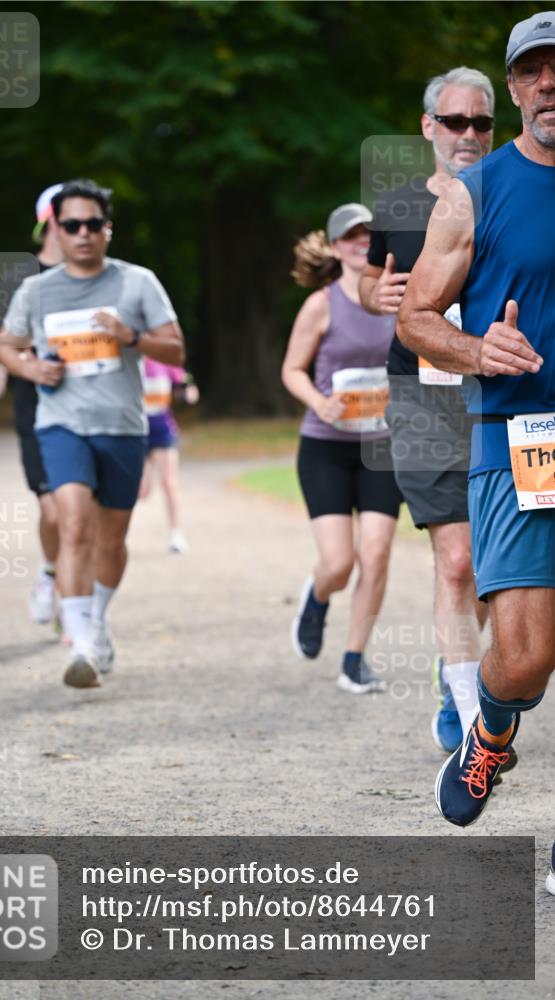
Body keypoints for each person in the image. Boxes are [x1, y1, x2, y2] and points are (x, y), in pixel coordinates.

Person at [397, 11, 555, 826]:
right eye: (534, 69)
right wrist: (475, 351)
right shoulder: (474, 192)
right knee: (525, 660)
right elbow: (416, 316)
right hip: (526, 441)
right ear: (517, 85)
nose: (550, 81)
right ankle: (490, 729)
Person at [0, 178, 185, 689]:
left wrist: (129, 336)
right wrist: (30, 370)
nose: (83, 234)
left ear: (107, 229)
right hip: (61, 425)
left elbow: (175, 350)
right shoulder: (36, 290)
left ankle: (96, 621)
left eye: (93, 224)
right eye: (72, 225)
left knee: (112, 540)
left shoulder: (136, 282)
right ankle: (79, 642)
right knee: (73, 523)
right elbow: (5, 343)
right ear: (56, 228)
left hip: (123, 427)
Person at [359, 67, 495, 751]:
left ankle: (461, 665)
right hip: (420, 395)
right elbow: (367, 276)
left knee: (502, 566)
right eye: (453, 122)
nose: (466, 135)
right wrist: (371, 296)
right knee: (457, 560)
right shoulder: (397, 207)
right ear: (427, 128)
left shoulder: (517, 195)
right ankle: (469, 710)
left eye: (479, 123)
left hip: (503, 396)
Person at [282, 204, 402, 693]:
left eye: (367, 234)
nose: (360, 242)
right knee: (340, 563)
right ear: (335, 247)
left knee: (375, 554)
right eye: (350, 236)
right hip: (326, 447)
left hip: (383, 446)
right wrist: (319, 402)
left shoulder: (398, 294)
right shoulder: (321, 304)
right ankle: (317, 595)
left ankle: (354, 659)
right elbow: (291, 370)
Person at [0, 183, 65, 627]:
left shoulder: (98, 273)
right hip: (37, 409)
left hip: (90, 408)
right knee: (53, 510)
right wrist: (27, 365)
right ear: (51, 219)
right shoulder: (22, 276)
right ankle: (50, 575)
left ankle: (78, 611)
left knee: (82, 512)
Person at [139, 357, 199, 553]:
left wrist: (188, 391)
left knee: (169, 483)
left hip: (162, 429)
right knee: (141, 490)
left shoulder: (163, 361)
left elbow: (185, 381)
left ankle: (176, 532)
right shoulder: (129, 359)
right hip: (135, 429)